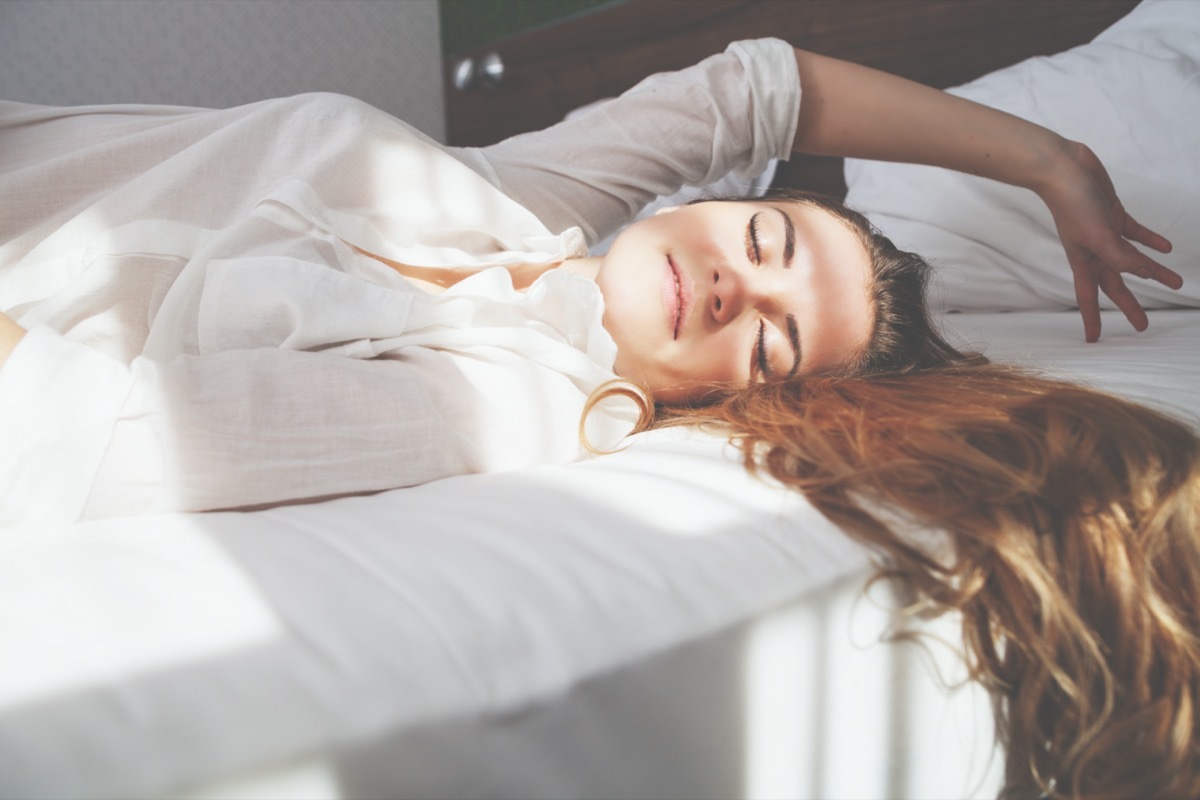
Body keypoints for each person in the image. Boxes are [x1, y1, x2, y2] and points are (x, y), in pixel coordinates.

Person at [1, 36, 1196, 798]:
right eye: (763, 240)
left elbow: (92, 427)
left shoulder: (494, 399)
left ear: (724, 398)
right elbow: (761, 87)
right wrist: (1050, 160)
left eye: (768, 334)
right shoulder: (531, 198)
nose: (737, 284)